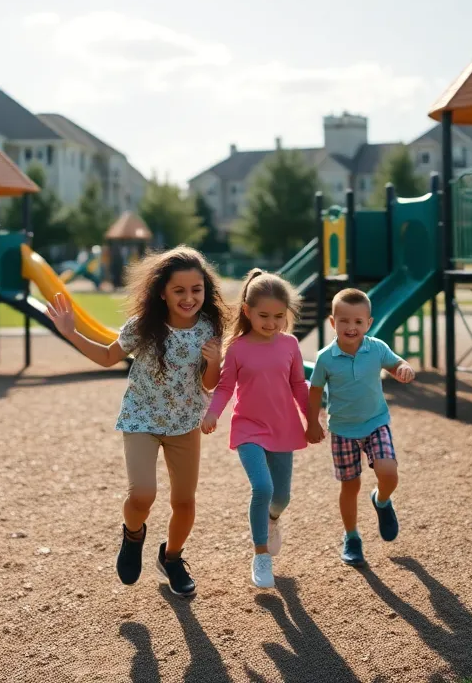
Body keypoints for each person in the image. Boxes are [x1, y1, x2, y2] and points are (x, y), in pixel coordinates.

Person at [46, 246, 226, 597]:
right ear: (162, 292)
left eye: (196, 290)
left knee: (185, 503)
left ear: (205, 290)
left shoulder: (209, 328)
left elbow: (209, 384)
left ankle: (171, 558)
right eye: (179, 290)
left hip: (185, 422)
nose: (189, 298)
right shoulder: (144, 327)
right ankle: (133, 535)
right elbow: (107, 357)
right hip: (141, 418)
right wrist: (70, 332)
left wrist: (216, 360)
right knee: (142, 494)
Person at [202, 270, 311, 589]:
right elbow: (224, 388)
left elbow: (298, 386)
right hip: (248, 428)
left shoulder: (290, 345)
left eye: (279, 316)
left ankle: (273, 519)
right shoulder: (236, 348)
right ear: (247, 311)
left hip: (284, 427)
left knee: (282, 497)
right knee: (262, 488)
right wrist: (212, 414)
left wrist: (312, 419)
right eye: (264, 315)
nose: (272, 322)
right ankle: (260, 555)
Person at [307, 287, 415, 567]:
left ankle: (381, 500)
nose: (351, 327)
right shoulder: (325, 358)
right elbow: (315, 391)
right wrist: (312, 423)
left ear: (368, 323)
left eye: (358, 321)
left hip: (375, 423)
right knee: (349, 486)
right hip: (342, 430)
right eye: (344, 321)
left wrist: (404, 368)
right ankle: (352, 537)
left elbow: (396, 364)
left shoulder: (377, 348)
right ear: (333, 323)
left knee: (388, 472)